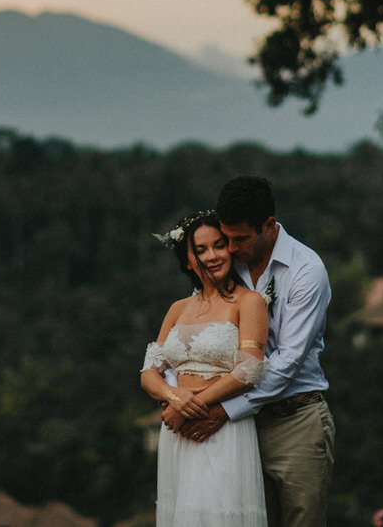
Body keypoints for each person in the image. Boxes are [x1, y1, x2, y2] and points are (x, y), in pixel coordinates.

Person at [180, 177, 334, 527]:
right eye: (226, 237)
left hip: (295, 421)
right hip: (239, 431)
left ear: (269, 225)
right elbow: (196, 329)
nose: (230, 248)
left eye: (240, 239)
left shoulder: (306, 271)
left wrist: (223, 410)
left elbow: (288, 362)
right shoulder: (227, 263)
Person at [141, 209, 270, 527]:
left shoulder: (248, 301)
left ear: (230, 249)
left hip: (220, 429)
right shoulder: (177, 308)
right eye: (201, 250)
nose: (212, 255)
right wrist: (174, 398)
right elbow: (148, 373)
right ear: (187, 261)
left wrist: (192, 403)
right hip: (178, 434)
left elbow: (249, 369)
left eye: (218, 245)